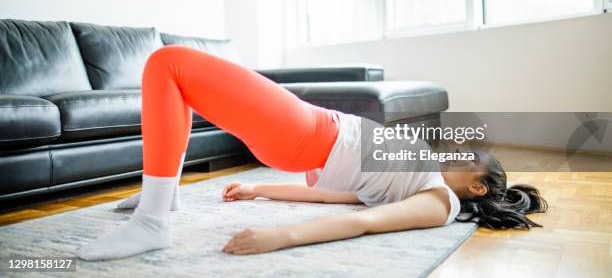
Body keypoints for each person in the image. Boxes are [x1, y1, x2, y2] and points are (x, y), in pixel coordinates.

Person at [78, 46, 547, 260]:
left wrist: (281, 238)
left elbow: (361, 223)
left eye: (467, 159)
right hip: (308, 133)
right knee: (176, 82)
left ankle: (154, 219)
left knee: (169, 63)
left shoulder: (438, 202)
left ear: (478, 186)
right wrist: (259, 189)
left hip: (310, 134)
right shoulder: (420, 185)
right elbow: (346, 200)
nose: (456, 153)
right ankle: (163, 198)